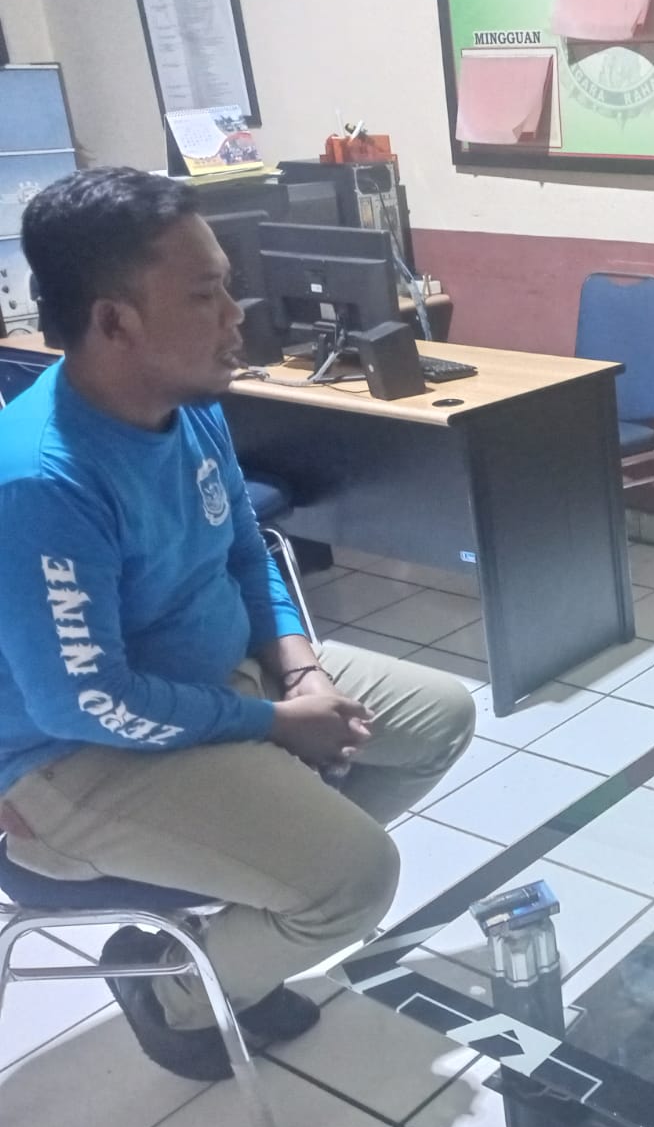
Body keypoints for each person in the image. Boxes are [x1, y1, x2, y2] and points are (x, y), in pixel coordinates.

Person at [0, 167, 476, 1081]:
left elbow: (246, 552)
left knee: (439, 717)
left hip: (216, 685)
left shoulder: (191, 405)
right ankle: (174, 994)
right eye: (205, 294)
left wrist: (301, 670)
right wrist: (275, 724)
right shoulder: (41, 479)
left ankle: (256, 902)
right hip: (76, 761)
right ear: (113, 322)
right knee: (357, 879)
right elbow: (85, 701)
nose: (235, 317)